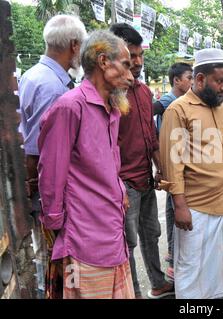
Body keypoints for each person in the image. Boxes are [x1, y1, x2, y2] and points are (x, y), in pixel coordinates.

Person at [38, 30, 135, 299]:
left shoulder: (112, 108)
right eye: (125, 65)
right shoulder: (71, 107)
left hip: (111, 230)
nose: (131, 75)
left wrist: (120, 189)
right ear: (103, 61)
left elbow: (109, 161)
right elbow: (51, 174)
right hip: (83, 236)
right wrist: (57, 225)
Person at [159, 48, 223, 299]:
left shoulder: (220, 109)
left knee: (220, 261)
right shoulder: (178, 110)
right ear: (199, 80)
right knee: (193, 265)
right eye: (219, 81)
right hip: (195, 205)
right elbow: (171, 163)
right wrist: (180, 205)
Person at [18, 14, 87, 297]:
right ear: (74, 45)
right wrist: (42, 194)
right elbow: (38, 147)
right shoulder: (53, 87)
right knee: (56, 259)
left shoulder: (34, 75)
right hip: (48, 190)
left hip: (38, 184)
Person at [110, 23, 174, 299]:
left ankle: (158, 283)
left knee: (152, 233)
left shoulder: (144, 92)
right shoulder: (109, 95)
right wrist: (116, 185)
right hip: (122, 184)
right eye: (130, 56)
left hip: (146, 178)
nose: (137, 62)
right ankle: (133, 293)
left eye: (139, 56)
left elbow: (151, 134)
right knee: (127, 243)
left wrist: (160, 166)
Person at [155, 62, 193, 280]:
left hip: (174, 166)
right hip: (175, 166)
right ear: (177, 80)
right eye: (189, 77)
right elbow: (153, 109)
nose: (191, 81)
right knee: (176, 211)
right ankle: (174, 260)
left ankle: (173, 255)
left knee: (173, 212)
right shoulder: (171, 101)